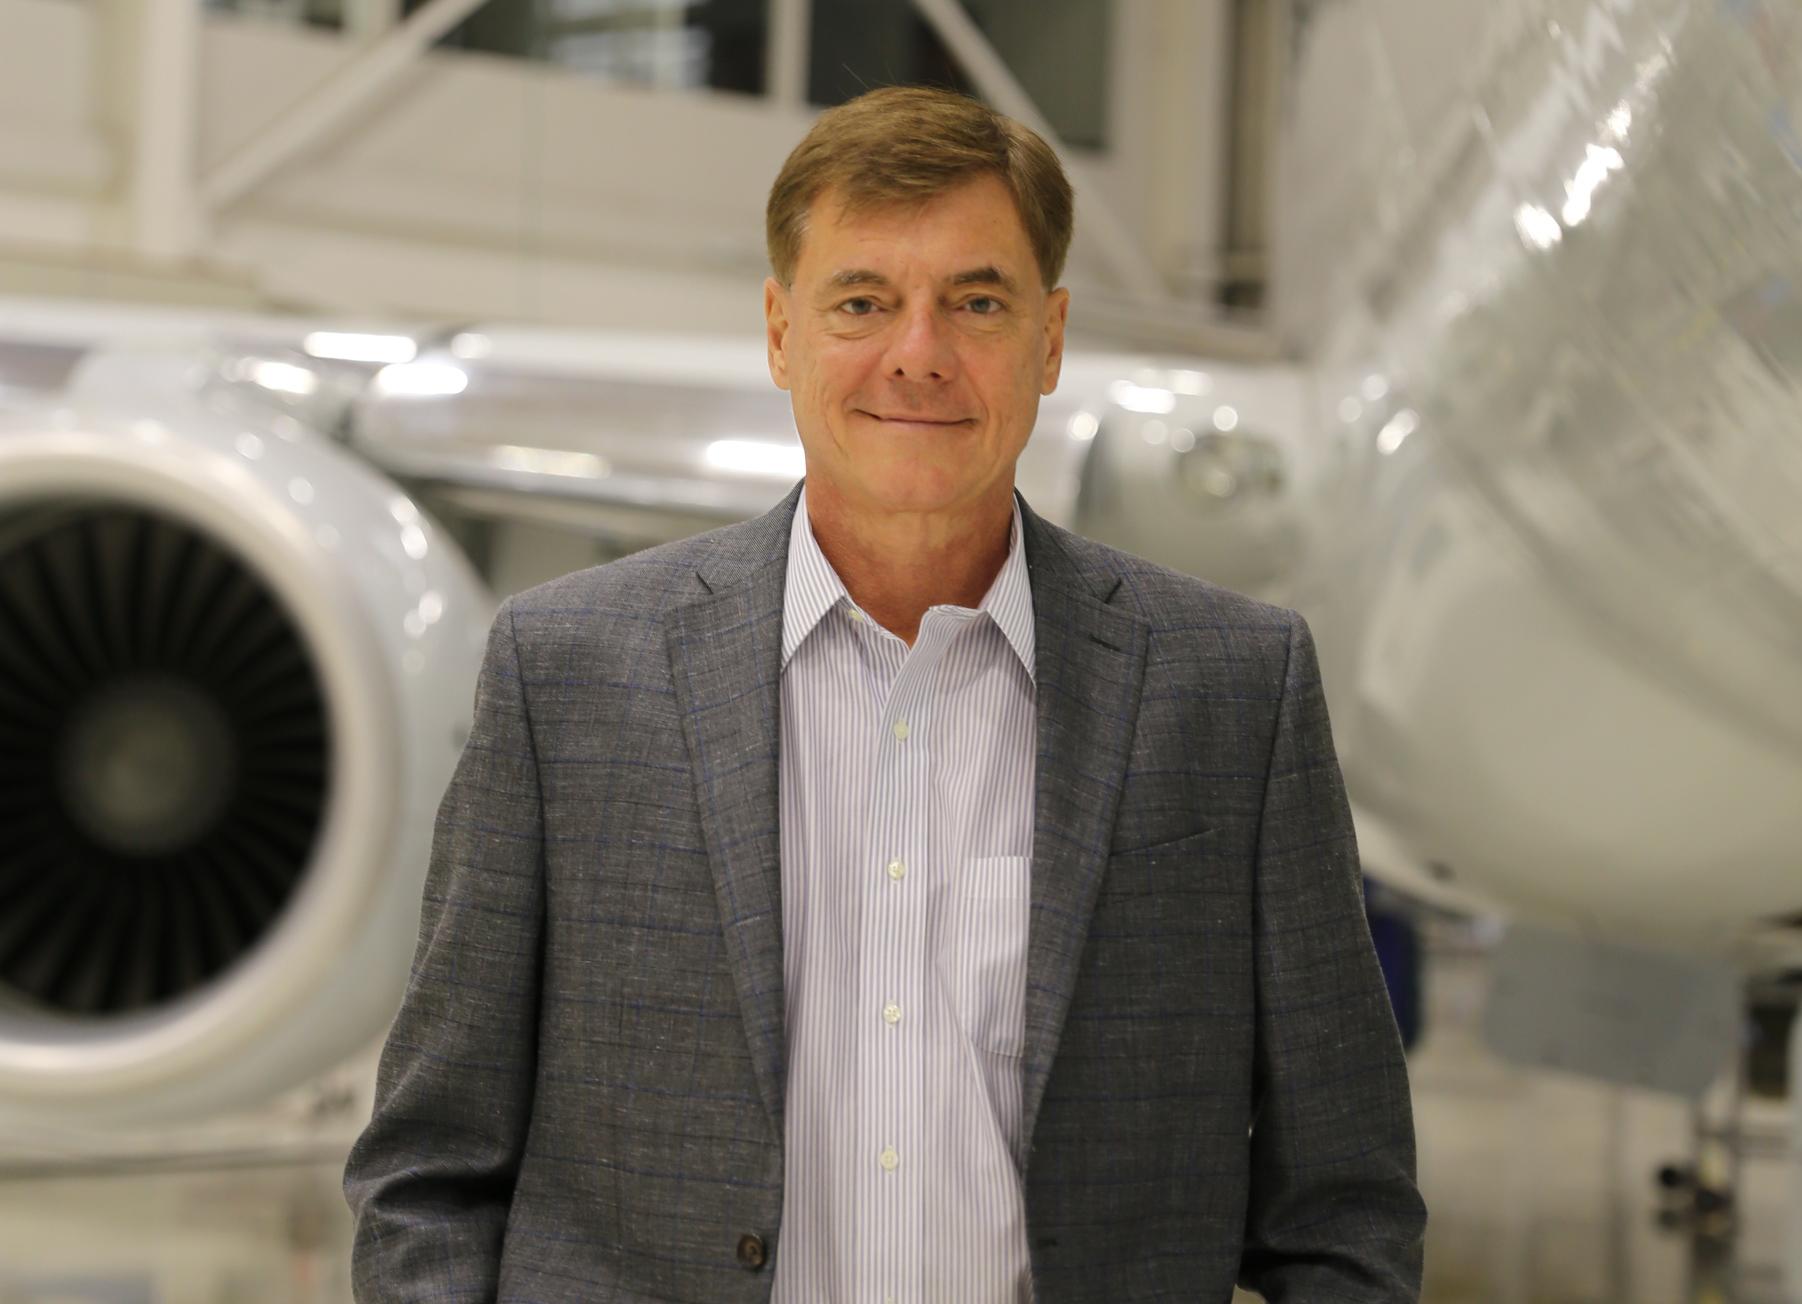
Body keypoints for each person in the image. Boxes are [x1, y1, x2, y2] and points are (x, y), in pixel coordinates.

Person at [343, 84, 1426, 1303]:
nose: (918, 352)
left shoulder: (1233, 691)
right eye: (862, 301)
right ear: (780, 332)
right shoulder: (568, 672)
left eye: (977, 301)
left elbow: (1343, 1205)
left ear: (1051, 339)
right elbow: (431, 1170)